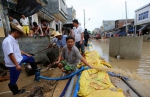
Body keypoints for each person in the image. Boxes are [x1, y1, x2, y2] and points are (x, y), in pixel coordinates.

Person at [2, 23, 37, 95]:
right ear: (17, 32)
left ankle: (35, 70)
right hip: (14, 63)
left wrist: (26, 54)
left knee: (30, 58)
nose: (20, 36)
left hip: (19, 58)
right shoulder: (8, 41)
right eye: (20, 34)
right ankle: (15, 91)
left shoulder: (13, 40)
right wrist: (16, 65)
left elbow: (17, 50)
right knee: (14, 78)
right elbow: (10, 54)